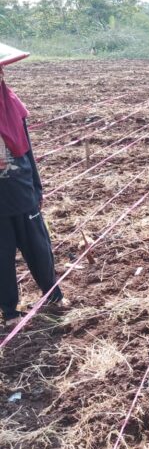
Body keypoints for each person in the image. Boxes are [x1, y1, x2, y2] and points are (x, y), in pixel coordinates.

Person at [1, 44, 67, 324]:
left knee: (38, 247)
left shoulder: (12, 105)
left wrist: (37, 187)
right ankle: (9, 311)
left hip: (22, 189)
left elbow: (26, 151)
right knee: (1, 257)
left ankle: (53, 296)